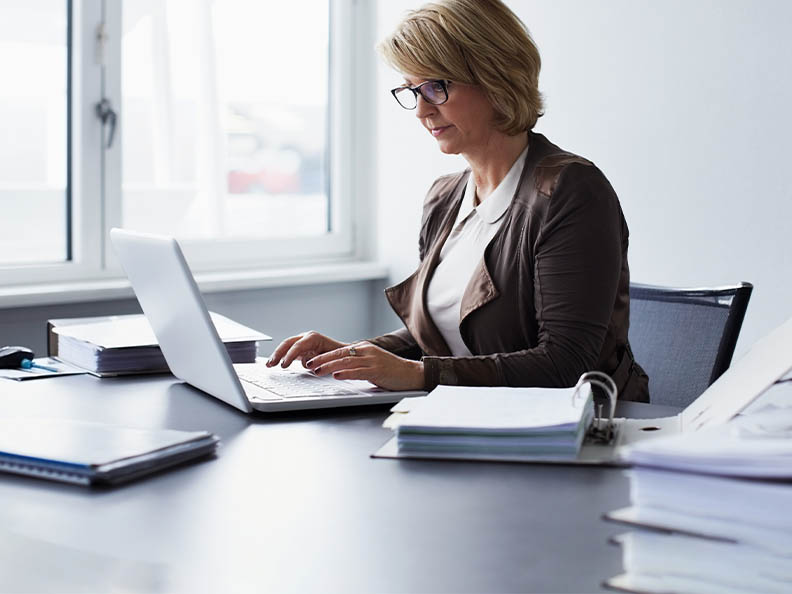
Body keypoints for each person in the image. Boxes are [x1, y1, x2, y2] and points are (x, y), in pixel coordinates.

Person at [267, 0, 649, 402]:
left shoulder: (570, 190)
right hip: (472, 420)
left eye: (436, 87)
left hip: (569, 435)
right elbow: (437, 337)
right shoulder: (444, 197)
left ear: (495, 77)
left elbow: (565, 363)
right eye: (411, 91)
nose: (421, 111)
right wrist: (350, 356)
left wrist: (417, 374)